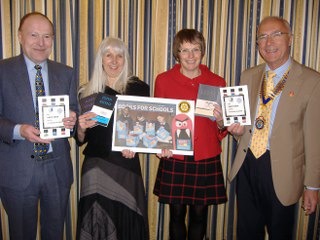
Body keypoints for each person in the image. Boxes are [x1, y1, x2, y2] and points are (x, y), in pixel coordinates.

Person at [227, 16, 320, 239]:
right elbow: (244, 125)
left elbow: (315, 138)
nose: (269, 42)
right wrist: (236, 132)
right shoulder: (248, 76)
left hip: (284, 171)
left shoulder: (312, 80)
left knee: (280, 233)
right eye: (262, 37)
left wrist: (313, 186)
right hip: (247, 165)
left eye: (276, 34)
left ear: (290, 39)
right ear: (257, 44)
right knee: (247, 232)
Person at [0, 12, 78, 239]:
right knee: (21, 234)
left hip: (57, 167)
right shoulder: (2, 71)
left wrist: (72, 119)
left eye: (47, 36)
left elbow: (74, 113)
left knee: (54, 233)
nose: (41, 43)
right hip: (18, 169)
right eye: (34, 35)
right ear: (20, 37)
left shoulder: (66, 73)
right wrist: (19, 130)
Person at [153, 29, 228, 240]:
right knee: (176, 215)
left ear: (202, 51)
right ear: (177, 53)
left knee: (200, 215)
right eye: (185, 50)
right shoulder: (164, 80)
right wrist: (160, 144)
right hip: (175, 155)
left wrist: (222, 121)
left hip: (205, 154)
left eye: (195, 50)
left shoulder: (217, 81)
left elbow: (221, 129)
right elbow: (159, 120)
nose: (191, 56)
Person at [76, 37, 150, 240]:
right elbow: (81, 138)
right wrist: (80, 128)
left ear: (125, 60)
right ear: (101, 59)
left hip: (126, 164)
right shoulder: (87, 91)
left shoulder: (138, 88)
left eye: (119, 56)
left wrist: (135, 143)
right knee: (96, 223)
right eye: (108, 55)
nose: (114, 61)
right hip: (96, 167)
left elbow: (146, 129)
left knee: (127, 221)